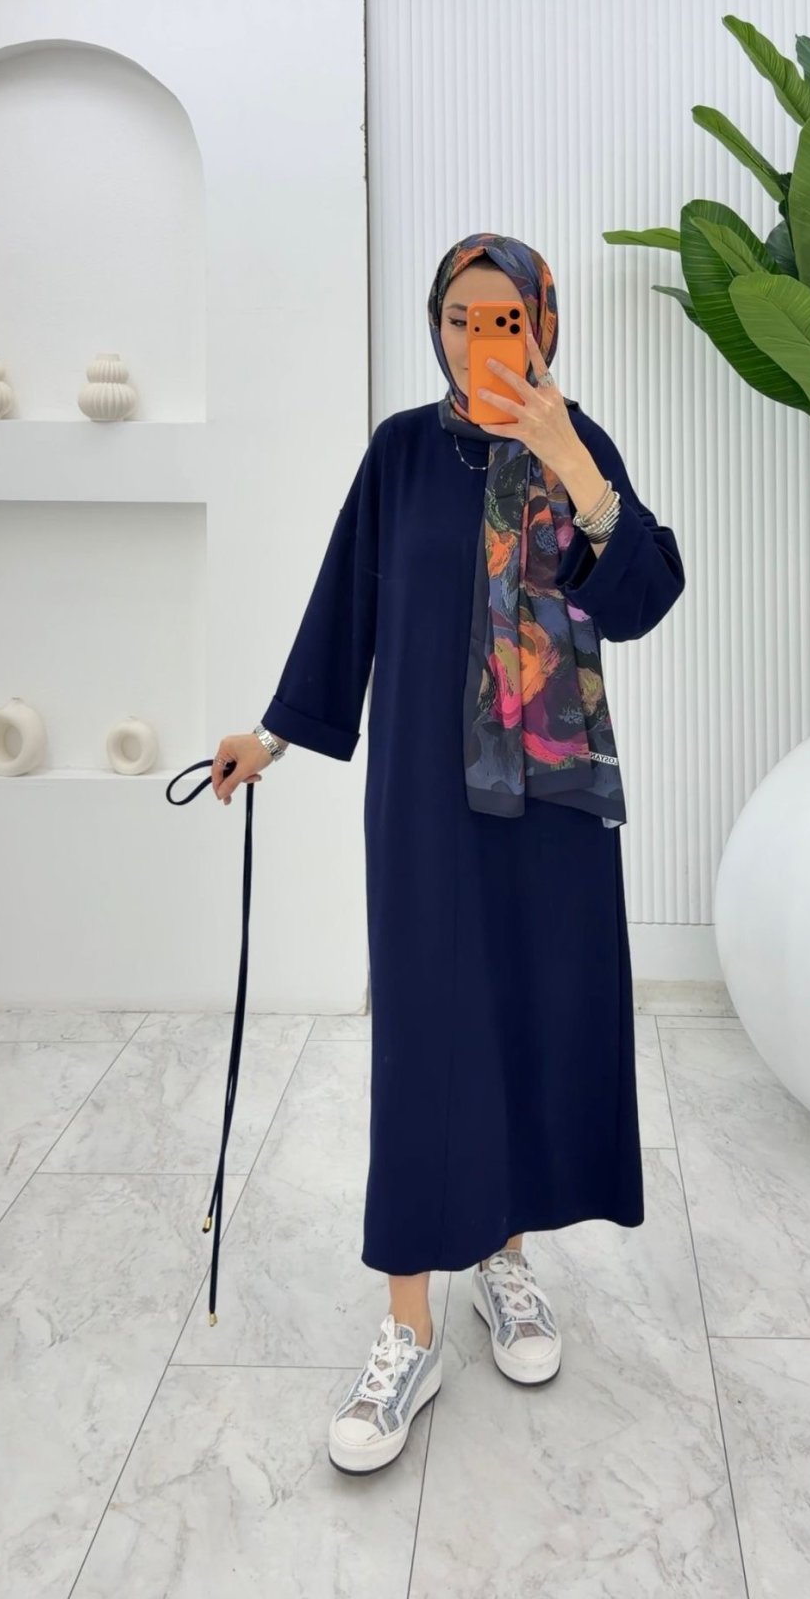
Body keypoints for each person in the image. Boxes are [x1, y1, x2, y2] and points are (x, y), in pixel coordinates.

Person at [212, 233, 685, 1475]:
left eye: (505, 317)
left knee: (528, 1019)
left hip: (552, 802)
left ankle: (505, 1261)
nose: (483, 339)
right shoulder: (400, 454)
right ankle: (407, 1324)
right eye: (462, 317)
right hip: (426, 798)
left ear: (544, 324)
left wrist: (572, 463)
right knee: (429, 1035)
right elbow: (346, 608)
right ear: (437, 327)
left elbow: (641, 597)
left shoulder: (578, 446)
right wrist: (272, 735)